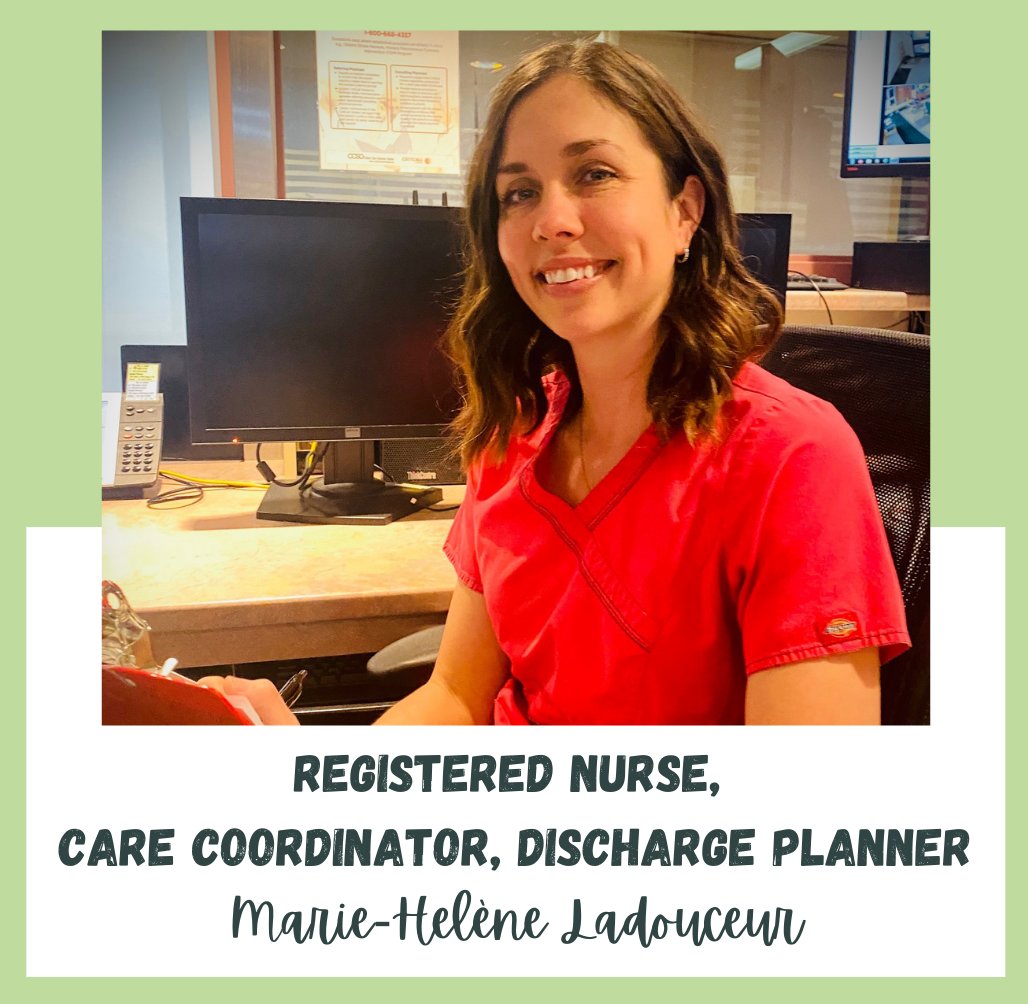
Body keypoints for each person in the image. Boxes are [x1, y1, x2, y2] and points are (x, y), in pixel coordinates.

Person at [213, 40, 910, 726]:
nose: (551, 222)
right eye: (519, 193)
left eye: (595, 174)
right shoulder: (509, 433)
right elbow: (456, 694)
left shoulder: (791, 456)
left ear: (685, 210)